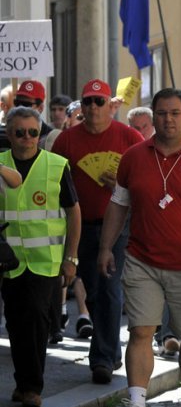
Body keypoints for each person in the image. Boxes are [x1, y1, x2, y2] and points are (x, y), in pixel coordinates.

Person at [98, 88, 181, 407]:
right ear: (153, 116)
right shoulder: (134, 157)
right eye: (162, 113)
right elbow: (118, 204)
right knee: (140, 331)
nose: (168, 119)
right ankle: (137, 399)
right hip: (142, 261)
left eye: (175, 113)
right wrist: (106, 248)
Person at [50, 79, 144, 384]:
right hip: (82, 227)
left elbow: (143, 184)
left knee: (108, 286)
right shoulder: (66, 141)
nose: (92, 107)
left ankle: (102, 358)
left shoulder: (129, 137)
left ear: (111, 106)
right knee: (91, 289)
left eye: (99, 101)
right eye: (87, 101)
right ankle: (111, 349)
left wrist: (119, 184)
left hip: (117, 227)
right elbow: (57, 186)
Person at [1, 106, 75, 407]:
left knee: (37, 319)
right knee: (17, 323)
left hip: (45, 259)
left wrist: (71, 258)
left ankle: (32, 387)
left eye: (33, 132)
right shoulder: (2, 163)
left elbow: (74, 212)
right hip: (8, 261)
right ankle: (23, 382)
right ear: (9, 134)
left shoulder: (57, 165)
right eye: (20, 133)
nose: (28, 138)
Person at [0, 81, 54, 149]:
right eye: (17, 103)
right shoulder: (3, 134)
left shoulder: (50, 136)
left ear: (40, 108)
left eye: (26, 104)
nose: (21, 107)